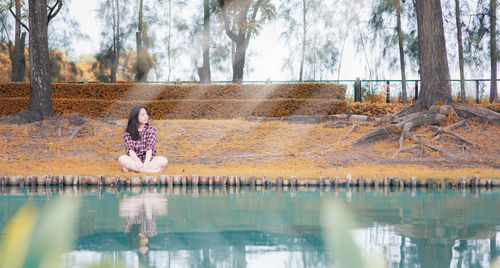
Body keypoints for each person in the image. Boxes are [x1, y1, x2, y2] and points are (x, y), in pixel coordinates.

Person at [118, 106, 168, 173]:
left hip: (149, 160)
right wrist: (139, 162)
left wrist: (146, 163)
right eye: (142, 115)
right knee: (122, 158)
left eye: (146, 114)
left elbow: (149, 148)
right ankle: (151, 171)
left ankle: (133, 169)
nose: (146, 116)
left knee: (163, 160)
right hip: (134, 160)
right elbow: (130, 150)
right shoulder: (128, 132)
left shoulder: (151, 130)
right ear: (135, 117)